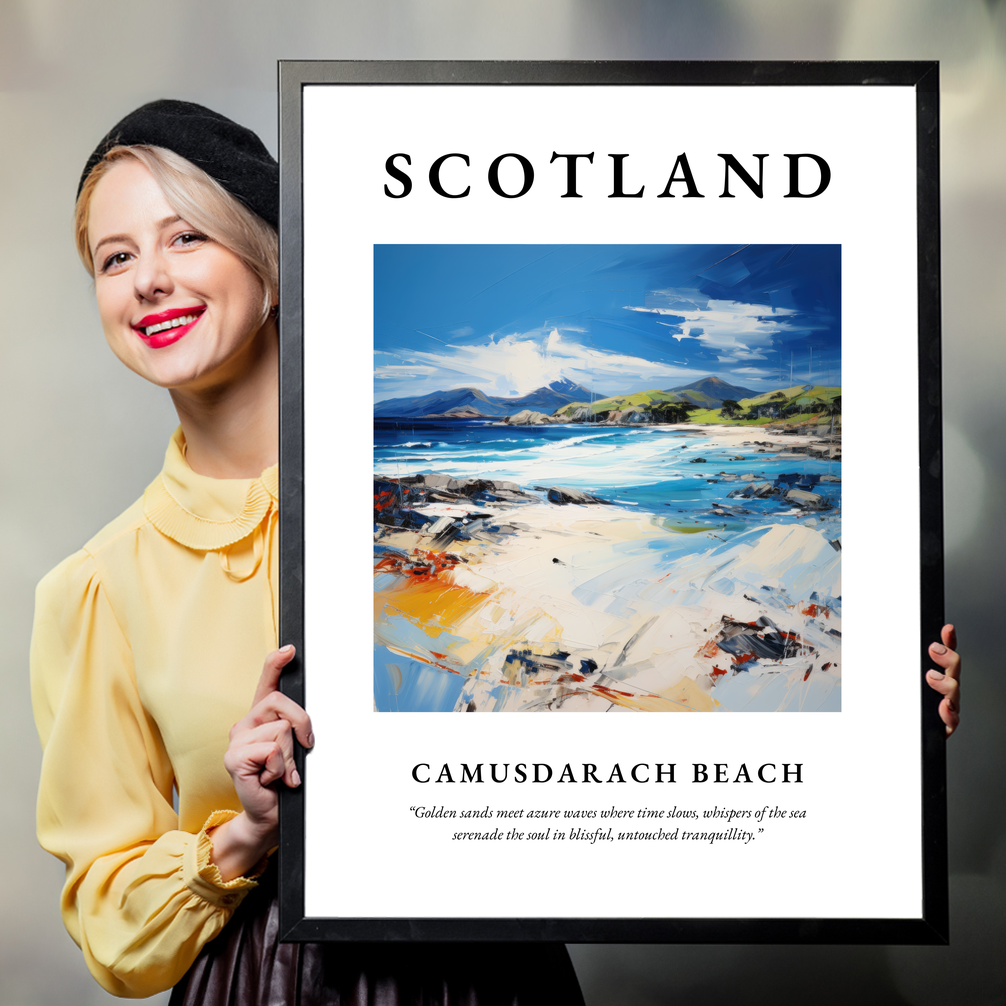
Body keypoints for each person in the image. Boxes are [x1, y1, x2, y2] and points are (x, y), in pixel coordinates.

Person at [30, 100, 586, 1004]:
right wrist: (245, 832)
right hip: (263, 981)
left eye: (185, 238)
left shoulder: (441, 507)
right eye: (116, 257)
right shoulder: (97, 587)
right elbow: (110, 924)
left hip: (493, 972)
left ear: (273, 263)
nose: (148, 281)